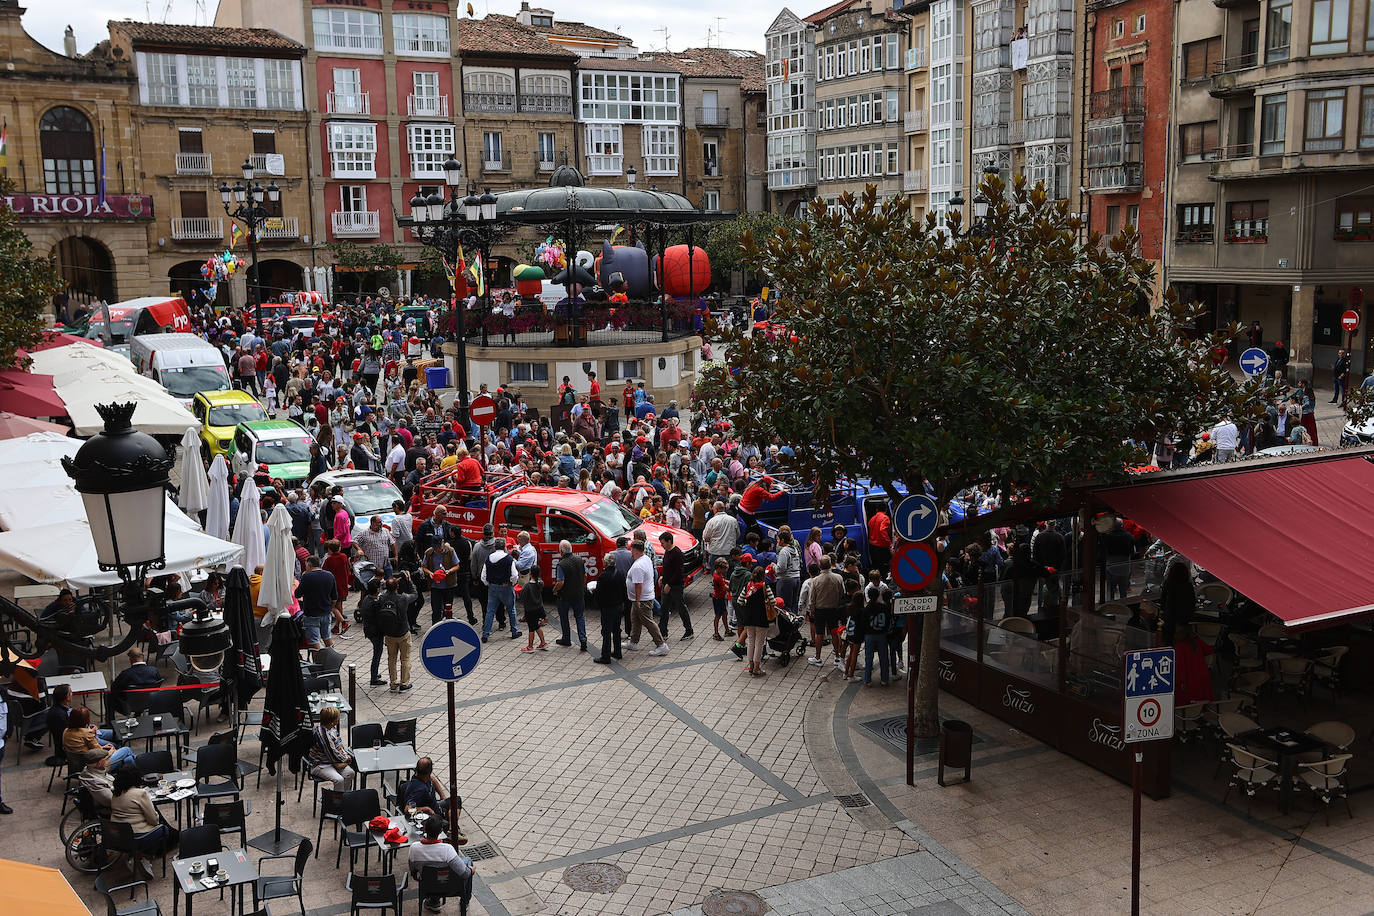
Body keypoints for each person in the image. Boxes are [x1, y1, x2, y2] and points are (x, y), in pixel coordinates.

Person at [111, 765, 178, 874]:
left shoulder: (115, 793)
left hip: (117, 835)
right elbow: (153, 820)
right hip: (137, 836)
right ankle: (145, 855)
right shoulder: (140, 793)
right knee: (164, 829)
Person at [408, 815, 475, 913]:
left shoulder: (414, 848)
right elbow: (464, 873)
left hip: (428, 886)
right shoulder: (447, 849)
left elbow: (413, 871)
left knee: (434, 876)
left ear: (425, 829)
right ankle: (464, 902)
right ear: (441, 831)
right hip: (450, 886)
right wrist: (471, 870)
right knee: (468, 860)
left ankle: (433, 902)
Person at [402, 757, 465, 843]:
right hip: (430, 816)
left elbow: (433, 780)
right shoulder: (418, 789)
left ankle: (452, 830)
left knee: (456, 800)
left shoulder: (424, 777)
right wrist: (425, 809)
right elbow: (407, 809)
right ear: (430, 771)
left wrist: (442, 795)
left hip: (436, 806)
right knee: (444, 824)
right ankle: (448, 839)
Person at [626, 540, 668, 656]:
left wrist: (638, 600)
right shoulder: (645, 559)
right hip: (640, 598)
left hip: (642, 600)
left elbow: (638, 585)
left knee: (648, 621)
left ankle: (661, 645)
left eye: (631, 549)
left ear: (635, 550)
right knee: (635, 619)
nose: (630, 551)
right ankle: (633, 642)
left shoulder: (638, 566)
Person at [64, 705, 134, 770]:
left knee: (128, 759)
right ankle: (135, 774)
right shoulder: (87, 734)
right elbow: (101, 754)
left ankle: (129, 773)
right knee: (127, 750)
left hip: (79, 766)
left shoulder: (66, 731)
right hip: (97, 767)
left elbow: (88, 749)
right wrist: (112, 751)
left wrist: (102, 747)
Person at [735, 566, 775, 677]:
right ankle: (757, 668)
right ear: (763, 576)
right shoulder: (764, 586)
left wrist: (748, 605)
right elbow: (773, 602)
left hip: (749, 618)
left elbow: (740, 601)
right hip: (761, 618)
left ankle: (751, 666)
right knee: (759, 643)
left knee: (751, 642)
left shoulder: (748, 586)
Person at [480, 537, 521, 642]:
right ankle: (514, 631)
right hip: (506, 586)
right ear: (504, 547)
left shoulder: (489, 558)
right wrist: (511, 583)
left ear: (494, 546)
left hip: (493, 587)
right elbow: (515, 575)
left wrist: (489, 584)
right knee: (511, 609)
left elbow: (483, 576)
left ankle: (485, 634)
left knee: (490, 611)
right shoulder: (508, 559)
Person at [376, 577, 413, 693]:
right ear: (397, 587)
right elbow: (415, 594)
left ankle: (393, 682)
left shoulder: (382, 598)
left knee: (391, 658)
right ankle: (404, 683)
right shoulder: (403, 598)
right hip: (403, 633)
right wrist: (409, 580)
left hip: (389, 633)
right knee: (405, 658)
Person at [808, 556, 846, 668]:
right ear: (830, 564)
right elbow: (842, 593)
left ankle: (818, 657)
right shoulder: (838, 578)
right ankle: (837, 657)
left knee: (819, 633)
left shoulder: (816, 580)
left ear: (820, 566)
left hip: (820, 609)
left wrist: (812, 610)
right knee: (834, 632)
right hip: (834, 609)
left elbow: (812, 599)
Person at [295, 555, 340, 650]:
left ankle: (318, 662)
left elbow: (297, 594)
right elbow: (334, 597)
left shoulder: (307, 576)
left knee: (314, 642)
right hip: (326, 612)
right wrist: (330, 608)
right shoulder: (329, 575)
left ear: (309, 565)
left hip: (312, 614)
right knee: (327, 637)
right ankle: (332, 659)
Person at [306, 705, 355, 789]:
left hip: (333, 761)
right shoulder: (323, 735)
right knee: (339, 780)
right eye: (337, 717)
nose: (339, 719)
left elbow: (339, 745)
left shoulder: (331, 728)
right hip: (320, 764)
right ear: (332, 721)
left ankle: (345, 798)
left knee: (350, 773)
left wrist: (344, 755)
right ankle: (336, 801)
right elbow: (332, 753)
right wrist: (346, 759)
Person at [656, 531, 692, 640]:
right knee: (664, 608)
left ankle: (689, 630)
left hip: (675, 586)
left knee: (681, 607)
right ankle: (663, 631)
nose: (661, 545)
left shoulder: (677, 553)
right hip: (667, 584)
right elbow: (666, 566)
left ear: (669, 541)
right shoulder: (667, 551)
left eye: (663, 543)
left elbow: (678, 572)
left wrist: (669, 584)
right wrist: (662, 576)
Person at [552, 540, 588, 650]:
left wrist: (554, 590)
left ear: (561, 552)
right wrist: (581, 584)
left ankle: (566, 639)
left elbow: (560, 582)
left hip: (565, 596)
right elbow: (585, 574)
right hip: (578, 594)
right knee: (580, 616)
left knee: (564, 617)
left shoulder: (561, 564)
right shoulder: (579, 560)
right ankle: (583, 639)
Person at [592, 554, 625, 664]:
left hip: (607, 608)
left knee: (606, 632)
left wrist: (594, 592)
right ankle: (617, 652)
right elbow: (624, 590)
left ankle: (605, 656)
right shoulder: (620, 573)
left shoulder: (603, 576)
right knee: (616, 630)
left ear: (605, 563)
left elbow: (599, 593)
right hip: (618, 606)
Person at [356, 578, 388, 687]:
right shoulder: (375, 603)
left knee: (377, 652)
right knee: (377, 654)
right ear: (377, 589)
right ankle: (374, 677)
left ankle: (375, 673)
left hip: (369, 630)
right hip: (375, 632)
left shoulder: (366, 599)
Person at [519, 566, 548, 653]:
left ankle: (530, 646)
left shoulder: (527, 586)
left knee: (531, 628)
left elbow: (522, 597)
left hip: (530, 610)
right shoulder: (540, 583)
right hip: (539, 607)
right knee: (536, 626)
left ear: (530, 574)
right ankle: (543, 643)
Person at [710, 557, 732, 641]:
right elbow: (725, 587)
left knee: (725, 613)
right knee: (718, 616)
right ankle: (716, 634)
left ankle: (727, 630)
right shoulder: (717, 577)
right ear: (719, 568)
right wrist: (733, 587)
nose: (725, 571)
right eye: (723, 569)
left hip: (720, 597)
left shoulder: (717, 573)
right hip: (718, 599)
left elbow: (723, 581)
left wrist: (728, 581)